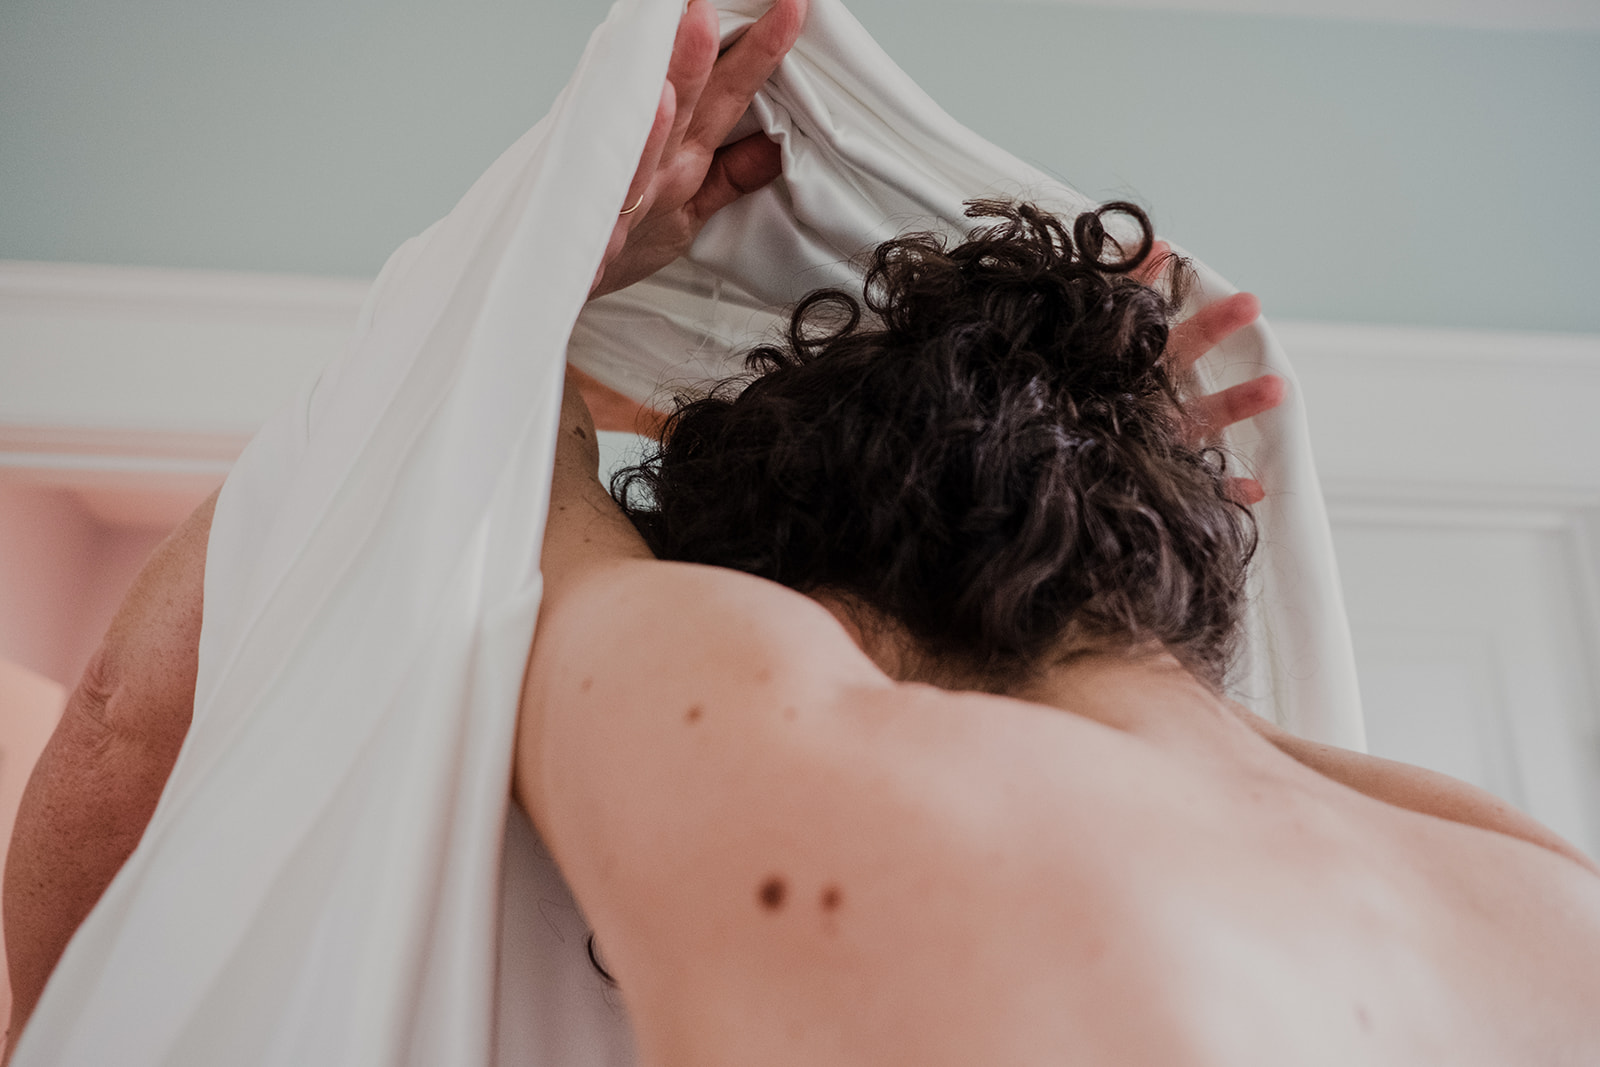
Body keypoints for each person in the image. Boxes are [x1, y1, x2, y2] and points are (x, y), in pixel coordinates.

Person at [7, 0, 1599, 1063]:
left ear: (808, 601)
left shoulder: (798, 754)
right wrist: (1101, 449)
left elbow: (172, 696)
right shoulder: (1538, 897)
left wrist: (557, 285)